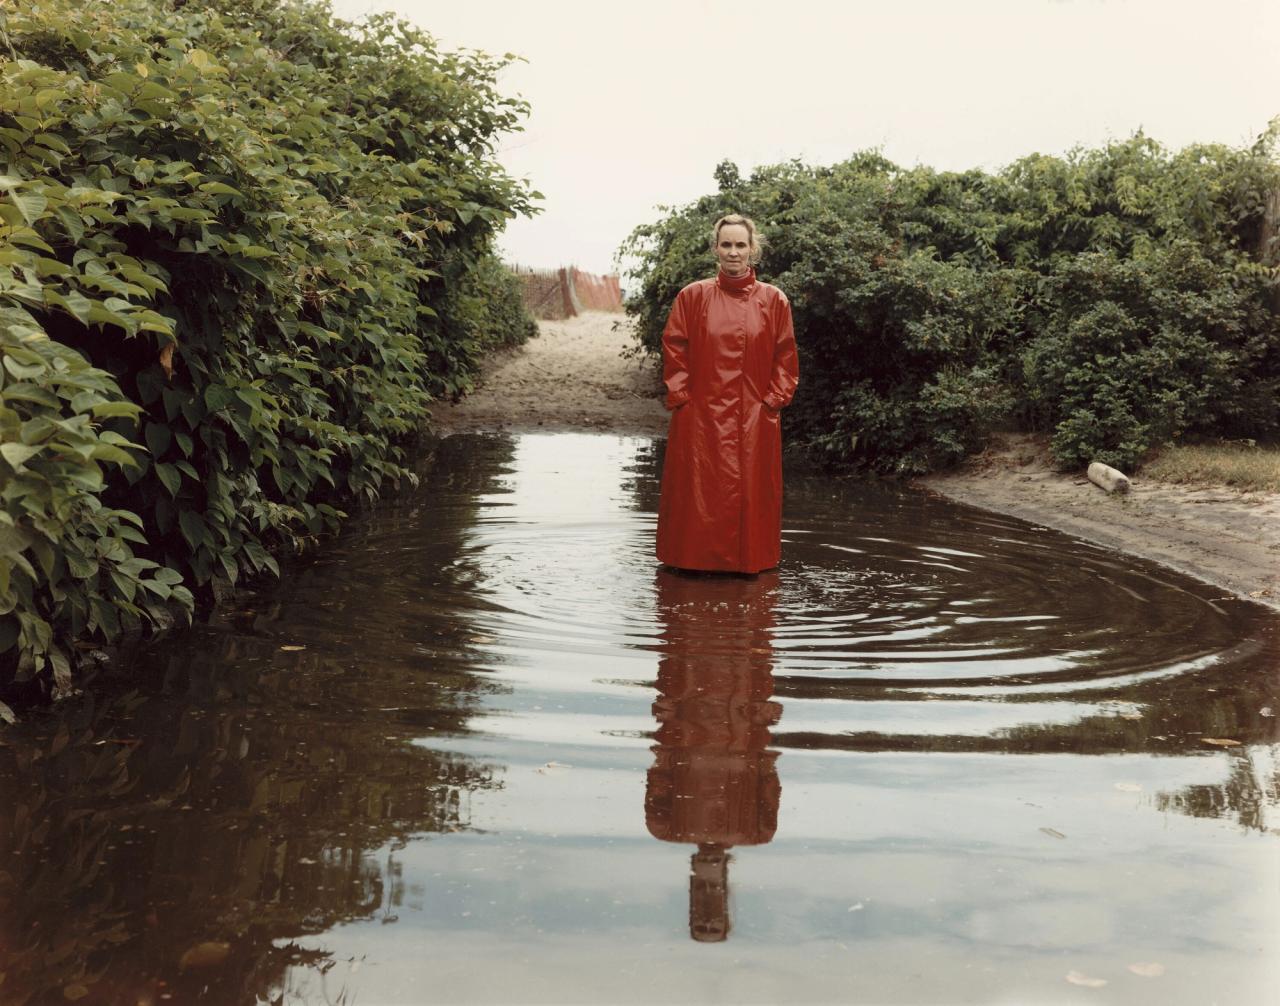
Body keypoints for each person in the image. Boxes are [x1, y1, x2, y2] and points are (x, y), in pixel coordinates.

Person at [655, 214, 800, 574]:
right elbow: (675, 348)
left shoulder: (774, 300)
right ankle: (690, 563)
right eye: (726, 245)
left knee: (751, 495)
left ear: (753, 249)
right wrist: (683, 398)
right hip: (699, 418)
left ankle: (749, 563)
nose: (733, 252)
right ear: (715, 249)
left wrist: (772, 402)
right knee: (697, 494)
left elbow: (785, 357)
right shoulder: (692, 296)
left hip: (754, 419)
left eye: (740, 245)